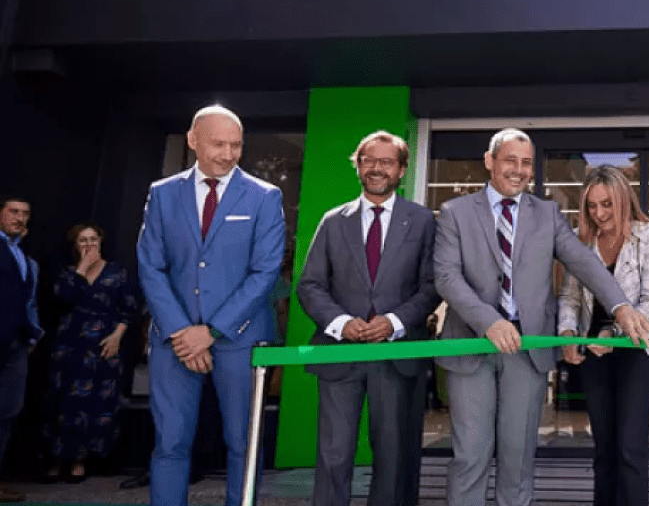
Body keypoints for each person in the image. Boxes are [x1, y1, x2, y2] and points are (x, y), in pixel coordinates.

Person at [433, 128, 649, 506]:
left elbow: (583, 262)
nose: (519, 170)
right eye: (510, 160)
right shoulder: (456, 212)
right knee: (470, 456)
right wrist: (489, 322)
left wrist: (620, 306)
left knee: (517, 457)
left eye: (526, 163)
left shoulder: (547, 214)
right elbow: (447, 277)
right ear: (489, 161)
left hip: (527, 348)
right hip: (470, 345)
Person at [136, 105, 285, 506]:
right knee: (170, 443)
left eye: (236, 145)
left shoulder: (265, 196)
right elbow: (151, 266)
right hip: (175, 341)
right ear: (192, 141)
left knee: (243, 444)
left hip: (240, 339)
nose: (228, 154)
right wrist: (181, 330)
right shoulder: (163, 193)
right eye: (218, 144)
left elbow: (265, 271)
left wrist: (212, 330)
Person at [296, 130, 440, 506]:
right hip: (339, 355)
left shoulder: (423, 221)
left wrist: (394, 321)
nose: (377, 168)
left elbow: (431, 286)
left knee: (393, 459)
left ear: (402, 169)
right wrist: (340, 322)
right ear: (358, 166)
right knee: (333, 455)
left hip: (396, 356)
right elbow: (310, 285)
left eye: (387, 162)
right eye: (369, 161)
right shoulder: (333, 221)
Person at [558, 165, 649, 506]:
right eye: (592, 206)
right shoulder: (581, 241)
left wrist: (613, 332)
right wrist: (568, 331)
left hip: (637, 351)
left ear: (624, 201)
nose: (599, 213)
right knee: (604, 449)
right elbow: (570, 296)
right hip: (594, 352)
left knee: (630, 447)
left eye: (607, 204)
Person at [40, 223, 140, 483]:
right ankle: (56, 459)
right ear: (75, 245)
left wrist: (117, 336)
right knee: (62, 403)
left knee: (95, 403)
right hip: (70, 344)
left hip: (104, 343)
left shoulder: (117, 272)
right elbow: (63, 298)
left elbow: (129, 308)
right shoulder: (67, 272)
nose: (89, 244)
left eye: (93, 239)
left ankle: (80, 461)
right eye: (83, 240)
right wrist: (83, 269)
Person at [0, 196, 41, 503]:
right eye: (13, 211)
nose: (19, 217)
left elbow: (28, 301)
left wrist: (33, 335)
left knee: (7, 412)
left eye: (25, 213)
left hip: (15, 345)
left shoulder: (25, 258)